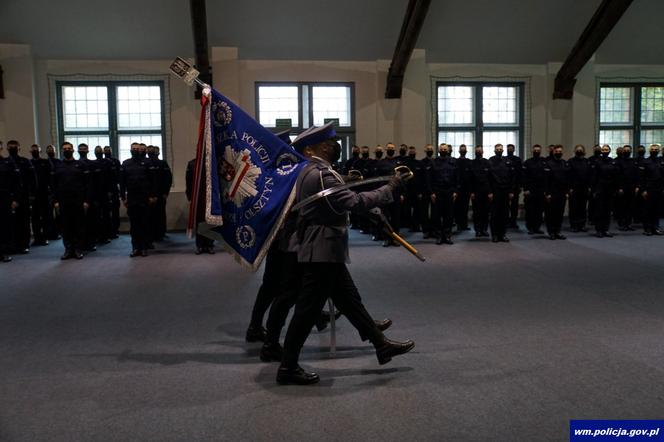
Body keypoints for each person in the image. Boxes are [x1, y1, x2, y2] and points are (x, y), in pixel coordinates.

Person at [278, 122, 414, 385]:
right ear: (310, 149)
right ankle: (287, 367)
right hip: (322, 249)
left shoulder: (317, 171)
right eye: (327, 144)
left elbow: (338, 200)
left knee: (350, 300)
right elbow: (352, 202)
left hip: (325, 248)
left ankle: (380, 344)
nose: (334, 147)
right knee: (307, 312)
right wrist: (390, 187)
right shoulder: (320, 174)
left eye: (332, 143)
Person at [51, 142, 91, 260]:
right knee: (65, 227)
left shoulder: (81, 165)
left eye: (69, 148)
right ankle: (68, 250)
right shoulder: (57, 165)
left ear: (73, 150)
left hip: (78, 201)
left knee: (79, 226)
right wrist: (55, 201)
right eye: (64, 149)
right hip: (63, 202)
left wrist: (87, 201)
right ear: (62, 151)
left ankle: (78, 249)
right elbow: (53, 185)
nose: (67, 150)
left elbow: (88, 184)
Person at [120, 142, 158, 257]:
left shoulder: (147, 163)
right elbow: (122, 182)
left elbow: (153, 181)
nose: (136, 150)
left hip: (144, 197)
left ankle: (144, 247)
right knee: (134, 225)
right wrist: (123, 197)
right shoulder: (126, 163)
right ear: (130, 150)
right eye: (133, 148)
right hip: (132, 198)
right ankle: (135, 248)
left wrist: (153, 195)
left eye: (137, 149)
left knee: (144, 223)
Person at [6, 140, 35, 254]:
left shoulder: (25, 161)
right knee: (11, 222)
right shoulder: (5, 162)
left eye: (15, 147)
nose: (13, 148)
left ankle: (24, 245)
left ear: (19, 148)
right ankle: (13, 245)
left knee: (24, 222)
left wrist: (31, 195)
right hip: (8, 198)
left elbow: (32, 180)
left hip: (24, 196)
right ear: (7, 149)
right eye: (10, 147)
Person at [428, 143, 458, 245]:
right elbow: (429, 179)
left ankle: (447, 236)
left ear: (448, 150)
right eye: (442, 149)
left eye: (445, 149)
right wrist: (431, 192)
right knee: (436, 216)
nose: (443, 151)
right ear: (439, 150)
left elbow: (456, 178)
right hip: (437, 192)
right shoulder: (434, 162)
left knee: (449, 216)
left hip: (449, 192)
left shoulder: (453, 162)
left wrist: (455, 191)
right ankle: (439, 236)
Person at [488, 143, 515, 242]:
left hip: (505, 191)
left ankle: (503, 234)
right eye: (497, 149)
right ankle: (494, 235)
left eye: (500, 149)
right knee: (494, 214)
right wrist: (490, 192)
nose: (499, 150)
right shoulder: (490, 161)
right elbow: (488, 178)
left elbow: (512, 178)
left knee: (504, 214)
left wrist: (511, 191)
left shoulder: (508, 161)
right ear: (494, 150)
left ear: (503, 150)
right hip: (495, 191)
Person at [590, 144, 618, 237]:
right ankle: (599, 230)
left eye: (607, 149)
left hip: (609, 190)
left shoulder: (612, 161)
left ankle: (606, 229)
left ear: (609, 151)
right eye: (603, 150)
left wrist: (615, 189)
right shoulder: (597, 161)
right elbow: (593, 177)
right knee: (599, 210)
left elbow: (615, 176)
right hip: (600, 189)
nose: (605, 151)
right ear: (601, 151)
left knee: (608, 211)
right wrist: (594, 190)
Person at [543, 145, 570, 240]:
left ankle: (558, 231)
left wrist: (567, 192)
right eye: (557, 151)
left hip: (562, 193)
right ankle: (551, 232)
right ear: (553, 152)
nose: (558, 152)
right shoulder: (548, 163)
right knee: (551, 213)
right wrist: (547, 193)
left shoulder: (565, 163)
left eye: (560, 151)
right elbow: (546, 180)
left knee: (560, 213)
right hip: (552, 192)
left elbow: (567, 179)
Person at [29, 144, 53, 246]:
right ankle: (37, 238)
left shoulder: (46, 162)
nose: (35, 151)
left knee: (45, 217)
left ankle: (44, 238)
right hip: (33, 195)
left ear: (40, 151)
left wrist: (50, 192)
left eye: (37, 150)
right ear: (31, 152)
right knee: (35, 218)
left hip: (44, 194)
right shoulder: (29, 163)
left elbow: (51, 178)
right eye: (33, 150)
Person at [0, 141, 20, 262]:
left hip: (4, 198)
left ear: (2, 148)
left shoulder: (7, 162)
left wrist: (15, 199)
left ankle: (4, 252)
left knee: (4, 226)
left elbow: (17, 183)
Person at [77, 143, 98, 251]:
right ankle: (81, 243)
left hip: (91, 197)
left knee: (91, 222)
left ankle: (91, 243)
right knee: (80, 223)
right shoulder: (76, 164)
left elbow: (95, 182)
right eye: (80, 149)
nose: (82, 150)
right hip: (78, 198)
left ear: (88, 150)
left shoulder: (92, 164)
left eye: (84, 149)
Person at [639, 144, 663, 236]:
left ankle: (655, 228)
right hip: (649, 189)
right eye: (652, 149)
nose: (654, 150)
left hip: (659, 189)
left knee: (657, 210)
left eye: (656, 149)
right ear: (649, 150)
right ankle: (647, 228)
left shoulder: (660, 161)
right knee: (647, 210)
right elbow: (641, 178)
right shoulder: (645, 162)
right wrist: (643, 190)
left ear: (659, 150)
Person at [522, 144, 546, 234]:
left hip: (540, 190)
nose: (536, 152)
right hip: (530, 190)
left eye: (538, 150)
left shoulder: (544, 162)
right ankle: (530, 228)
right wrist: (526, 189)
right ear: (532, 151)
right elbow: (523, 177)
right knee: (530, 210)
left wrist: (545, 190)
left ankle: (537, 227)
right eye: (535, 150)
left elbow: (546, 177)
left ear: (540, 151)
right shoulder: (527, 162)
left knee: (539, 210)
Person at [568, 144, 590, 232]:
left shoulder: (587, 161)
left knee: (583, 208)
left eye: (581, 150)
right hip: (574, 188)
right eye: (578, 150)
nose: (579, 151)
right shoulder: (570, 161)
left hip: (584, 188)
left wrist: (589, 187)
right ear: (575, 151)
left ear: (584, 151)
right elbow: (568, 176)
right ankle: (574, 225)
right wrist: (570, 187)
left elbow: (590, 175)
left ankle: (582, 225)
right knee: (573, 208)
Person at [470, 145, 491, 237]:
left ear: (483, 152)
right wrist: (471, 192)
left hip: (486, 191)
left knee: (485, 211)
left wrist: (490, 192)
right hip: (475, 191)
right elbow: (469, 179)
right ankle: (477, 230)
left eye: (480, 151)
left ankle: (484, 229)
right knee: (477, 212)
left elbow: (490, 178)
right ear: (475, 152)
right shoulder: (472, 163)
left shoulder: (487, 163)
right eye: (477, 151)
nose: (478, 152)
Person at [615, 145, 638, 231]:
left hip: (632, 187)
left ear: (631, 151)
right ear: (623, 152)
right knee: (622, 207)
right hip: (622, 187)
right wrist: (619, 187)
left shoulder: (633, 161)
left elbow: (637, 175)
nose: (627, 151)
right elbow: (617, 176)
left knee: (631, 207)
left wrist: (637, 187)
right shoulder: (619, 162)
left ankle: (629, 224)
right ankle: (622, 224)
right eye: (625, 150)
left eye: (628, 150)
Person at [103, 146, 121, 238]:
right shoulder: (100, 162)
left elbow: (119, 177)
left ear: (111, 151)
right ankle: (107, 231)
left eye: (108, 150)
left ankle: (115, 230)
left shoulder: (116, 162)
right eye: (105, 151)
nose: (107, 152)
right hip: (104, 191)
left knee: (115, 212)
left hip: (114, 190)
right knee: (105, 213)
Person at [506, 144, 522, 229]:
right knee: (505, 205)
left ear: (514, 150)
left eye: (511, 149)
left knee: (514, 206)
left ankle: (513, 222)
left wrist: (520, 186)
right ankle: (506, 221)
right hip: (505, 186)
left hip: (515, 186)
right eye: (508, 149)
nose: (510, 150)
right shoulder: (504, 159)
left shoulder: (518, 160)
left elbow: (520, 174)